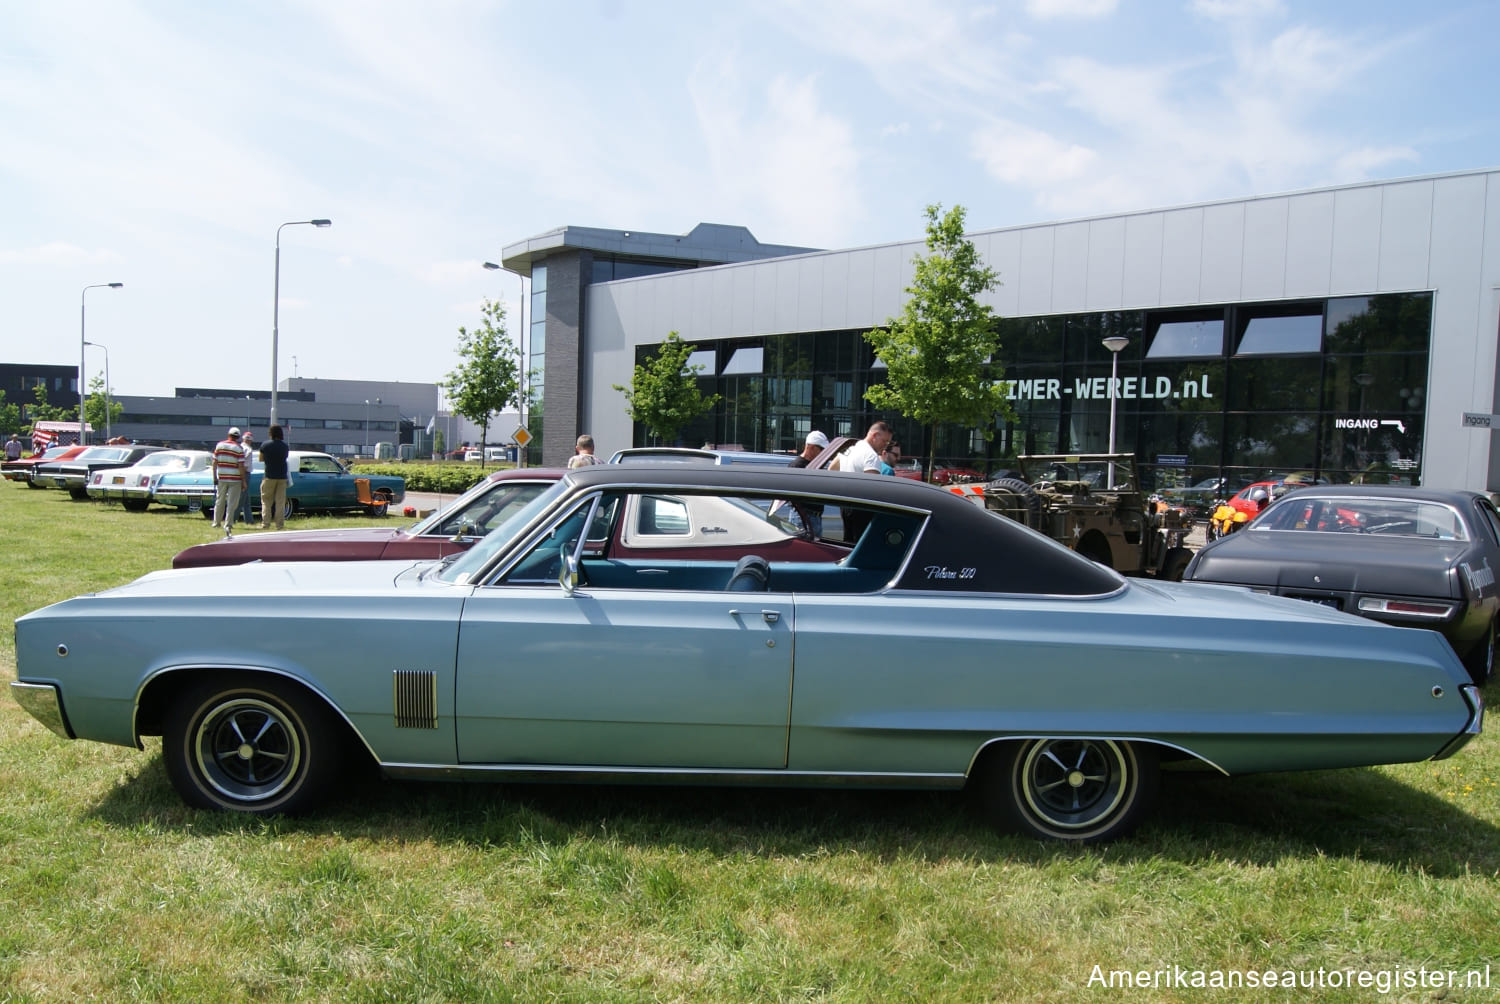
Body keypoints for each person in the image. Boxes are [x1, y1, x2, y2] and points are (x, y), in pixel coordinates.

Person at [210, 427, 249, 535]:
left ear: (229, 435)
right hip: (235, 479)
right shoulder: (238, 448)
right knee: (232, 503)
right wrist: (244, 480)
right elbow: (241, 466)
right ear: (238, 437)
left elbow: (214, 463)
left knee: (219, 500)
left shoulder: (219, 445)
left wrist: (214, 476)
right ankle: (228, 523)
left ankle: (216, 522)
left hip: (222, 477)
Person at [259, 424, 291, 530]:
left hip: (269, 476)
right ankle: (279, 525)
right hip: (282, 476)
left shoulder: (265, 445)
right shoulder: (285, 446)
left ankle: (265, 524)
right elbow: (285, 457)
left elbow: (261, 459)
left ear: (270, 433)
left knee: (266, 501)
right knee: (280, 502)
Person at [238, 431, 257, 525]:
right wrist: (243, 479)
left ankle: (249, 520)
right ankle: (232, 518)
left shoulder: (239, 447)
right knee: (242, 498)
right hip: (245, 474)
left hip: (238, 473)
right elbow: (245, 465)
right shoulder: (248, 450)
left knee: (246, 499)